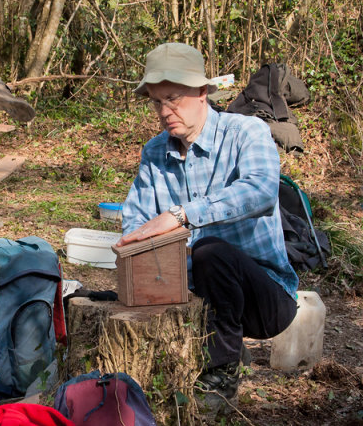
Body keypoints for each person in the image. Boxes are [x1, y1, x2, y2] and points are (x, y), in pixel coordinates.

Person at [116, 42, 298, 403]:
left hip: (264, 296)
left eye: (173, 98)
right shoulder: (155, 151)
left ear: (202, 92)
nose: (165, 111)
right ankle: (199, 352)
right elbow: (136, 218)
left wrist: (182, 214)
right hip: (192, 292)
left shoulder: (246, 132)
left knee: (210, 250)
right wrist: (132, 248)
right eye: (156, 102)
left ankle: (222, 372)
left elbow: (260, 191)